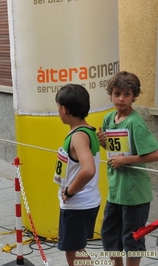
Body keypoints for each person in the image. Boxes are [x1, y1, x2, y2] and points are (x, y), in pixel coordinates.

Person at [97, 71, 158, 266]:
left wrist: (126, 161)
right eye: (117, 94)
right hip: (115, 191)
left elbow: (156, 153)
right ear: (110, 94)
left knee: (132, 240)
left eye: (127, 94)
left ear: (134, 96)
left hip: (134, 194)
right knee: (110, 237)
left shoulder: (135, 122)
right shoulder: (108, 119)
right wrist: (103, 143)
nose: (121, 99)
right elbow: (114, 151)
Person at [53, 84, 101, 266]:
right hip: (86, 202)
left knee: (73, 253)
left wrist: (70, 191)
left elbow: (88, 169)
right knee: (77, 250)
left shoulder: (78, 136)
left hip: (77, 205)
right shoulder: (88, 130)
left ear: (64, 109)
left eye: (58, 107)